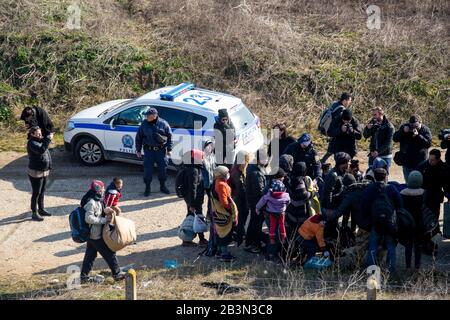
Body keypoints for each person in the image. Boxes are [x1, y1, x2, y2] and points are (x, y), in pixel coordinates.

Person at [80, 180, 125, 283]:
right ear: (97, 190)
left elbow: (99, 211)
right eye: (102, 188)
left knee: (90, 256)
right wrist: (104, 220)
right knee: (109, 253)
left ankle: (83, 277)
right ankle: (117, 274)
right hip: (95, 234)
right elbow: (88, 218)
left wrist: (107, 210)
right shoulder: (91, 202)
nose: (104, 190)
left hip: (92, 235)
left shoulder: (98, 199)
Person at [363, 168, 403, 274]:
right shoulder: (391, 188)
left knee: (373, 245)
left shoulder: (369, 189)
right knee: (391, 246)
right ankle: (391, 271)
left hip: (376, 223)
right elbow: (400, 204)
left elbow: (365, 206)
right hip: (390, 222)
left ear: (375, 177)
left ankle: (371, 271)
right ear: (386, 177)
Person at [329, 174, 371, 269]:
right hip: (374, 223)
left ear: (345, 185)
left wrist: (327, 219)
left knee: (359, 247)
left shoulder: (351, 195)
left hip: (364, 226)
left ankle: (355, 266)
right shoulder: (363, 188)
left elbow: (339, 211)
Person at [135, 108, 173, 196]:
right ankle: (147, 188)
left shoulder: (163, 123)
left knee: (162, 170)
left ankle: (163, 186)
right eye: (146, 115)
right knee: (147, 171)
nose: (146, 117)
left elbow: (170, 136)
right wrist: (138, 150)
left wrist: (169, 149)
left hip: (161, 151)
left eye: (148, 115)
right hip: (149, 151)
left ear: (154, 116)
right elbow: (139, 138)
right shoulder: (144, 124)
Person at [256, 180, 291, 262]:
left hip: (272, 213)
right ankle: (283, 238)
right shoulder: (286, 195)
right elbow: (288, 202)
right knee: (282, 225)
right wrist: (284, 206)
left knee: (272, 227)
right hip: (281, 212)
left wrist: (257, 208)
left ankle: (271, 239)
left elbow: (262, 201)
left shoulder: (269, 195)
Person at [181, 149, 208, 247]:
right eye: (200, 157)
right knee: (198, 219)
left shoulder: (189, 167)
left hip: (190, 199)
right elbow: (193, 188)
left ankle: (186, 239)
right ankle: (201, 240)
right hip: (194, 201)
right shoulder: (194, 171)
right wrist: (192, 205)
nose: (202, 159)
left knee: (191, 218)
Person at [321, 152, 351, 240]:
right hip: (330, 208)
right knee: (329, 230)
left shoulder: (341, 172)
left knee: (333, 228)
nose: (349, 164)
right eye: (348, 162)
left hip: (335, 206)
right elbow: (328, 193)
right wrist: (329, 209)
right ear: (342, 163)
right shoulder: (333, 175)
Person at [211, 166, 238, 262]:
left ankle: (219, 252)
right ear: (222, 175)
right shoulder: (221, 184)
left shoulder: (216, 181)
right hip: (223, 213)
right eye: (227, 173)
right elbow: (224, 202)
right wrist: (230, 210)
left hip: (217, 212)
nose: (228, 174)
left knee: (220, 233)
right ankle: (224, 254)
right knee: (225, 234)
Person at [393, 115, 432, 182]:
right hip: (407, 162)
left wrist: (418, 136)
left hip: (420, 163)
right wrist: (402, 131)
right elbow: (395, 138)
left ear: (420, 123)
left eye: (416, 126)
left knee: (420, 184)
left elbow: (428, 144)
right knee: (408, 184)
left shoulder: (425, 130)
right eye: (412, 126)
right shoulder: (405, 127)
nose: (414, 128)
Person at [27, 126, 53, 221]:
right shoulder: (32, 143)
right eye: (38, 133)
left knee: (42, 192)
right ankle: (34, 212)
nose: (40, 135)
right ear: (32, 134)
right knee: (36, 193)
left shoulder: (39, 140)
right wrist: (48, 140)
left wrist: (47, 138)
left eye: (40, 133)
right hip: (35, 172)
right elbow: (41, 150)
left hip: (44, 170)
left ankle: (41, 209)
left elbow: (45, 150)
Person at [400, 171, 425, 270]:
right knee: (418, 246)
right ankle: (417, 267)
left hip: (407, 224)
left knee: (408, 246)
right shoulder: (424, 193)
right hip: (419, 224)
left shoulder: (403, 193)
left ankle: (408, 266)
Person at [245, 149, 269, 253]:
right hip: (257, 203)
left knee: (254, 222)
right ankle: (253, 244)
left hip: (253, 201)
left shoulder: (253, 167)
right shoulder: (256, 173)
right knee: (256, 223)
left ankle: (251, 242)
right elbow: (260, 192)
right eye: (265, 158)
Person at [320, 93, 353, 164]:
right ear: (344, 100)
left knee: (331, 150)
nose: (350, 102)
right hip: (335, 132)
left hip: (329, 129)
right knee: (335, 150)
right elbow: (338, 122)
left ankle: (321, 162)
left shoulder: (335, 104)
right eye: (349, 100)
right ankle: (323, 163)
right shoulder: (341, 109)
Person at [229, 151, 251, 246]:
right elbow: (240, 189)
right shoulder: (237, 172)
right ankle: (239, 236)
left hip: (239, 198)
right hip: (239, 199)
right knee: (241, 218)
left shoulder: (238, 169)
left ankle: (239, 233)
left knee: (242, 217)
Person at [363, 106, 395, 171]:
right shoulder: (373, 123)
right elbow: (365, 136)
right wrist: (367, 128)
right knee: (371, 176)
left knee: (382, 176)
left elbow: (388, 143)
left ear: (381, 114)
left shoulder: (389, 126)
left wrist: (378, 152)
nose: (373, 116)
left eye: (375, 115)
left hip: (385, 155)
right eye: (373, 115)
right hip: (373, 155)